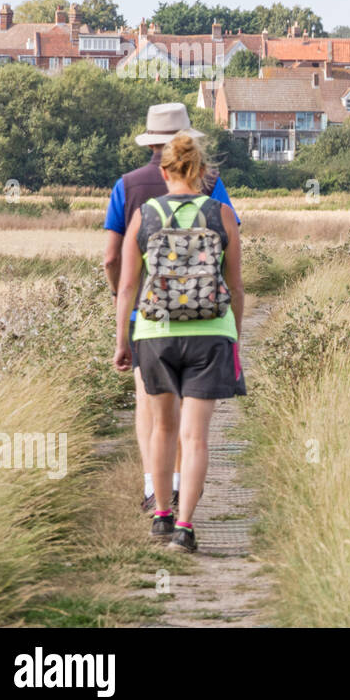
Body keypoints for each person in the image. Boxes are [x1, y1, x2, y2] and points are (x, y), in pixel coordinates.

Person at [103, 103, 239, 514]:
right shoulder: (211, 186)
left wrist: (122, 307)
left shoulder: (127, 186)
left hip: (148, 316)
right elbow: (229, 253)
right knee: (192, 422)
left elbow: (112, 259)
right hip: (205, 315)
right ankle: (182, 504)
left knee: (153, 410)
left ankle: (154, 492)